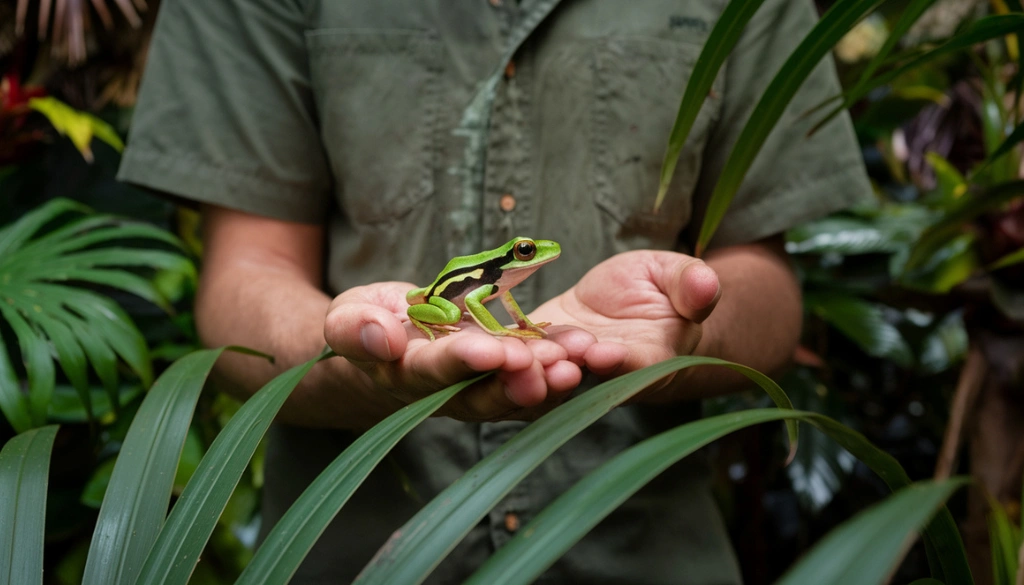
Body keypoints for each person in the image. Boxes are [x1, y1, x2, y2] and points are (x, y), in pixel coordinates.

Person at [118, 0, 871, 582]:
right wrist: (363, 359)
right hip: (358, 551)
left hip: (640, 551)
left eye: (530, 256)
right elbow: (244, 274)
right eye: (527, 255)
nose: (536, 259)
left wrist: (692, 324)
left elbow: (765, 281)